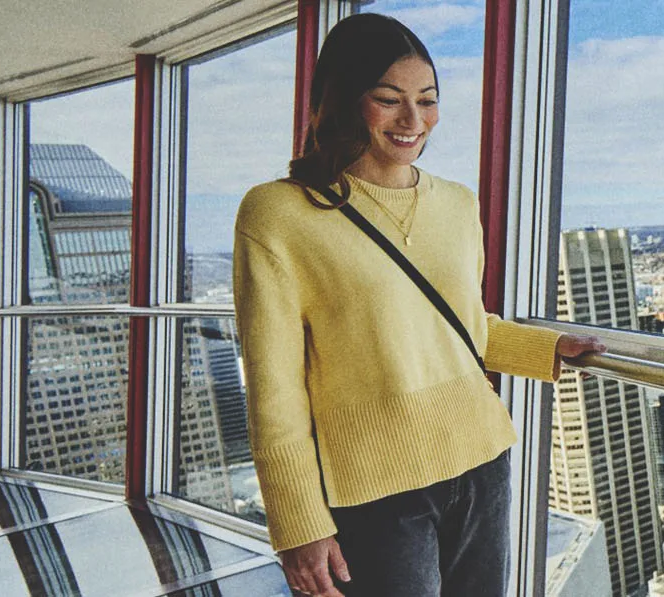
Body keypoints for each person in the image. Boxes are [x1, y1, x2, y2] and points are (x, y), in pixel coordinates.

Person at [232, 13, 601, 597]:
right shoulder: (279, 213)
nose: (414, 120)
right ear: (344, 100)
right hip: (375, 488)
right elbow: (273, 386)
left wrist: (549, 346)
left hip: (481, 460)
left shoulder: (456, 204)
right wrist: (297, 522)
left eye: (428, 100)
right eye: (389, 99)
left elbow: (461, 325)